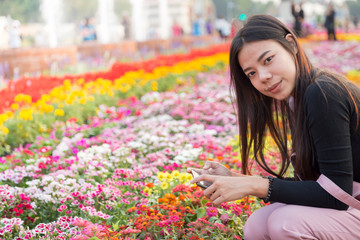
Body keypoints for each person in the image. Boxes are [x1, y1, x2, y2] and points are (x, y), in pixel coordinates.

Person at [190, 14, 360, 239]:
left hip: (347, 201)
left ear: (291, 44)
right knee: (257, 224)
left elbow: (335, 194)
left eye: (268, 60)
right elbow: (319, 186)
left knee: (286, 223)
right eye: (251, 73)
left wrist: (254, 185)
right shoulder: (298, 99)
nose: (263, 77)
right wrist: (235, 178)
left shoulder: (323, 92)